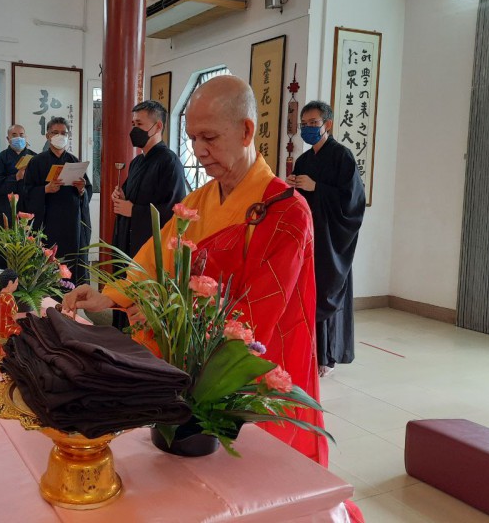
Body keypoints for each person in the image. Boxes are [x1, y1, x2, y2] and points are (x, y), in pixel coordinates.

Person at [63, 76, 326, 465]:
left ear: (246, 131)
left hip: (250, 364)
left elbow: (256, 315)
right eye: (192, 138)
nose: (199, 150)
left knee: (257, 473)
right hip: (193, 360)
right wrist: (110, 296)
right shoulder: (200, 199)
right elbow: (155, 261)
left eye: (210, 137)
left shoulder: (286, 212)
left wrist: (176, 336)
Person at [287, 101, 366, 378]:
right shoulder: (304, 160)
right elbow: (299, 200)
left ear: (327, 124)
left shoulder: (342, 156)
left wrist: (317, 187)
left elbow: (352, 201)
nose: (308, 128)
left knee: (326, 291)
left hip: (331, 240)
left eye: (313, 123)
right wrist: (292, 188)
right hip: (309, 237)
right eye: (304, 124)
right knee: (307, 291)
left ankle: (327, 355)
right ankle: (308, 349)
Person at [110, 100, 186, 330]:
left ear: (158, 126)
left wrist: (133, 211)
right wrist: (120, 195)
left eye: (140, 124)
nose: (134, 129)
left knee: (141, 313)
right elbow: (131, 197)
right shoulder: (137, 162)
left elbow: (173, 210)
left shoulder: (169, 162)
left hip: (147, 247)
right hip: (127, 242)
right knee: (123, 297)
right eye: (133, 124)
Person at [24, 117, 92, 284]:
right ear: (48, 136)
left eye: (64, 133)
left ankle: (73, 292)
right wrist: (45, 189)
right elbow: (26, 192)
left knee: (73, 260)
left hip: (72, 223)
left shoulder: (74, 161)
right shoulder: (36, 162)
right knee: (49, 260)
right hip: (48, 222)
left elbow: (87, 191)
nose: (60, 136)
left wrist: (81, 189)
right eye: (55, 133)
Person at [0, 124, 36, 268]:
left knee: (28, 248)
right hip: (6, 211)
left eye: (21, 135)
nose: (18, 138)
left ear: (26, 137)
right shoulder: (0, 159)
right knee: (5, 248)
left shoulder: (35, 158)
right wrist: (16, 177)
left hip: (28, 209)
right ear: (8, 138)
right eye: (14, 135)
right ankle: (3, 278)